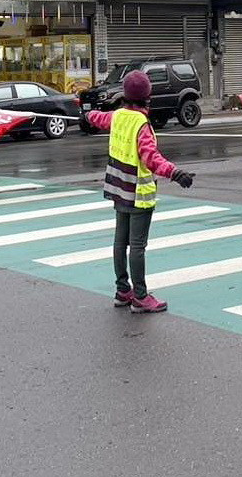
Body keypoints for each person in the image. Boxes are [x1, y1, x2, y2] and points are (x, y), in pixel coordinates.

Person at [80, 70, 195, 314]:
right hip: (138, 193)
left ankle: (123, 291)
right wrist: (176, 173)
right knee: (137, 246)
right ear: (147, 97)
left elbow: (100, 118)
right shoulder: (141, 124)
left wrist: (88, 114)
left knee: (119, 242)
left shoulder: (118, 116)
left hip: (117, 188)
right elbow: (150, 158)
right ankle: (140, 296)